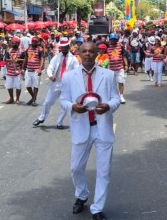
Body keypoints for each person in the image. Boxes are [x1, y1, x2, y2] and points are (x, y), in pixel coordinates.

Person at [60, 42, 121, 220]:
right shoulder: (69, 77)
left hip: (102, 128)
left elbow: (116, 98)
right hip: (81, 127)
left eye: (91, 51)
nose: (87, 54)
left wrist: (108, 106)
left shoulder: (108, 75)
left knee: (104, 171)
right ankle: (82, 194)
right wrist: (72, 106)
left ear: (97, 54)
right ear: (79, 53)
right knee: (76, 168)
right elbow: (63, 99)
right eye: (84, 51)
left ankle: (97, 208)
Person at [33, 38, 79, 129]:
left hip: (67, 85)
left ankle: (59, 122)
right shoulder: (56, 57)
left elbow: (77, 71)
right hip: (56, 83)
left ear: (68, 47)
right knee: (47, 102)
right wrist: (50, 76)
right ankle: (41, 117)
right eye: (62, 47)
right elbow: (50, 68)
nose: (64, 49)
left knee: (64, 105)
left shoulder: (73, 59)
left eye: (65, 47)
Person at [22, 36, 45, 106]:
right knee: (27, 86)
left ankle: (34, 100)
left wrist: (40, 69)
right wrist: (23, 68)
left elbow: (42, 59)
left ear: (37, 42)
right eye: (33, 41)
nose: (34, 42)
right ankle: (33, 97)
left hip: (36, 70)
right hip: (28, 70)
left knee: (35, 86)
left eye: (35, 41)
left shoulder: (40, 49)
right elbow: (26, 58)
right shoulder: (28, 49)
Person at [107, 33, 127, 104]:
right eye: (112, 40)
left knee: (121, 82)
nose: (113, 41)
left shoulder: (120, 46)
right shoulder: (107, 46)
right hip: (111, 68)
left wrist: (126, 65)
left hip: (120, 67)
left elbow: (124, 56)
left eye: (114, 40)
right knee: (112, 83)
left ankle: (121, 96)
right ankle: (114, 96)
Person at [4, 36, 25, 104]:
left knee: (18, 85)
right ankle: (11, 98)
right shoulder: (9, 50)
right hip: (10, 70)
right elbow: (5, 59)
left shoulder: (21, 51)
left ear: (18, 43)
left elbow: (25, 60)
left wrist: (18, 60)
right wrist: (12, 60)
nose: (13, 44)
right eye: (12, 43)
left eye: (14, 43)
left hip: (18, 71)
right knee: (9, 86)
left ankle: (17, 99)